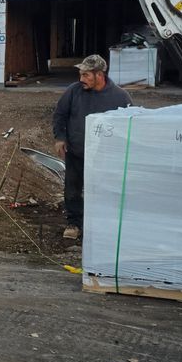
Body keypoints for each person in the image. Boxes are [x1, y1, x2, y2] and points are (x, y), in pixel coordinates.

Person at [52, 54, 132, 240]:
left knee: (105, 190)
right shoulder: (73, 91)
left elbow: (129, 124)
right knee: (72, 189)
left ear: (99, 75)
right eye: (81, 74)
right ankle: (74, 223)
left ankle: (103, 224)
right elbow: (60, 115)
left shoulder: (120, 97)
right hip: (77, 152)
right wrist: (60, 138)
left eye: (86, 75)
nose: (81, 79)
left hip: (105, 157)